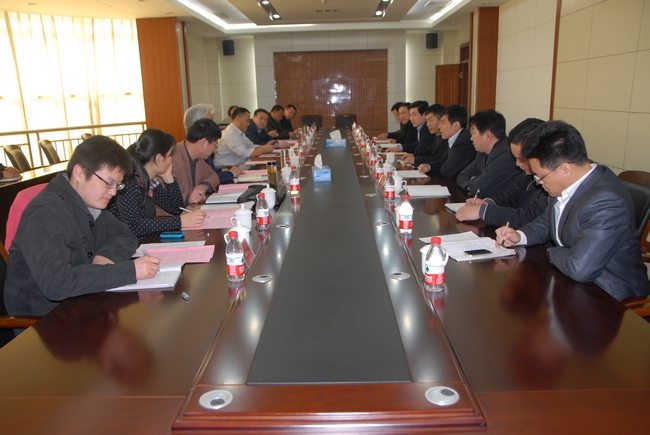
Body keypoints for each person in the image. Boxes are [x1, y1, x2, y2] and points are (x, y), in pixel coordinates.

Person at [4, 136, 160, 317]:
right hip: (42, 319)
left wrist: (106, 256)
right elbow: (56, 283)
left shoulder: (88, 201)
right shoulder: (45, 212)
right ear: (79, 172)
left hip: (82, 302)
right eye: (109, 183)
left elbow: (125, 234)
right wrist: (129, 271)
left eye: (117, 185)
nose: (113, 192)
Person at [496, 120, 650, 301]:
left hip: (610, 297)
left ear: (565, 169)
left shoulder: (607, 201)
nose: (538, 182)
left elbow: (579, 268)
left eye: (540, 176)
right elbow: (548, 220)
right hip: (573, 284)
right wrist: (520, 236)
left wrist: (550, 251)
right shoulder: (566, 184)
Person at [108, 129, 206, 237]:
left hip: (144, 240)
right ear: (159, 159)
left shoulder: (149, 180)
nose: (172, 160)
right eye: (170, 156)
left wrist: (168, 178)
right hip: (126, 243)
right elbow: (134, 226)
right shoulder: (129, 182)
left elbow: (176, 208)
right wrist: (179, 222)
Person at [456, 118, 548, 227]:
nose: (517, 164)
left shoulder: (550, 182)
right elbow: (511, 194)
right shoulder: (527, 174)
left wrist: (484, 212)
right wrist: (488, 203)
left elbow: (531, 217)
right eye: (515, 158)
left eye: (522, 159)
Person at [456, 109, 519, 198]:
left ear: (487, 136)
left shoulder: (506, 155)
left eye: (474, 132)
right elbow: (462, 175)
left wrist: (474, 181)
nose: (471, 138)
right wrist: (471, 185)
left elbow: (479, 188)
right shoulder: (482, 152)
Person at [183, 103, 242, 183]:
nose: (214, 124)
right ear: (198, 124)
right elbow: (207, 178)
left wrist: (225, 171)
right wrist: (230, 173)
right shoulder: (193, 152)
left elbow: (211, 171)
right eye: (210, 121)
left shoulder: (206, 146)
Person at [173, 118, 222, 205]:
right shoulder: (172, 158)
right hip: (173, 212)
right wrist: (188, 197)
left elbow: (213, 176)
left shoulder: (198, 158)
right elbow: (161, 197)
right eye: (215, 146)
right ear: (203, 142)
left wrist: (203, 186)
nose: (214, 150)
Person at [214, 107, 283, 167]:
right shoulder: (230, 133)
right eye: (247, 120)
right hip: (226, 168)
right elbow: (244, 153)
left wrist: (264, 146)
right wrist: (264, 149)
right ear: (238, 119)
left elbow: (250, 145)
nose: (248, 123)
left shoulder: (240, 132)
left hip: (239, 165)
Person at [420, 105, 475, 179]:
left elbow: (447, 171)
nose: (440, 126)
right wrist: (429, 166)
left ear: (456, 125)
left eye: (443, 122)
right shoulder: (455, 138)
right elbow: (444, 160)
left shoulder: (463, 142)